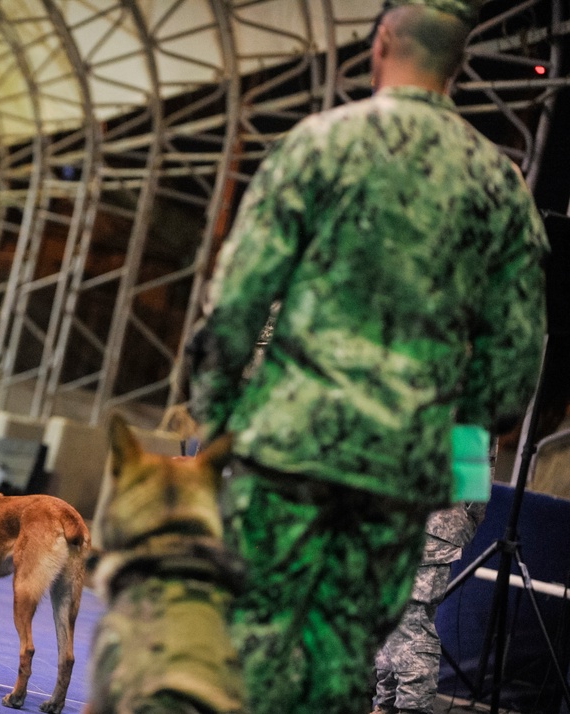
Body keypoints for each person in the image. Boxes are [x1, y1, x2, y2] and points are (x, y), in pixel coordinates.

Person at [185, 1, 549, 711]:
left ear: (381, 43)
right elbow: (514, 360)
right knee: (353, 646)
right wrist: (457, 443)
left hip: (293, 455)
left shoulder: (319, 144)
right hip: (409, 472)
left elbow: (235, 307)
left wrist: (219, 427)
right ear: (461, 65)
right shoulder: (500, 186)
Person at [372, 501, 487, 714]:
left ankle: (413, 709)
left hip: (431, 526)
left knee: (411, 621)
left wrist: (459, 519)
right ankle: (386, 705)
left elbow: (476, 492)